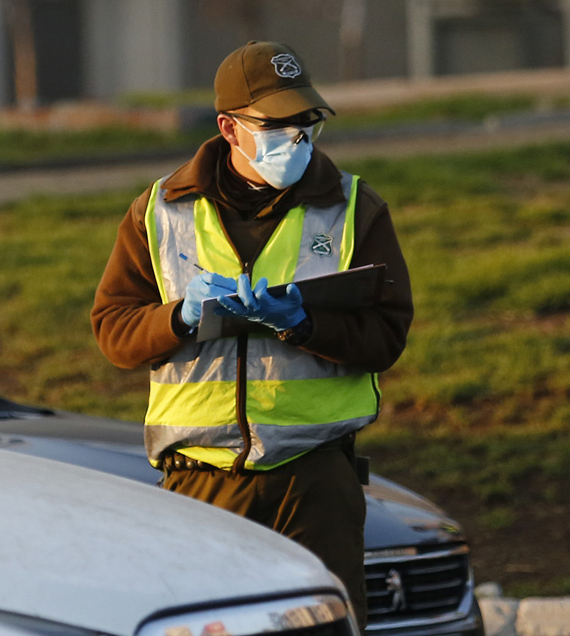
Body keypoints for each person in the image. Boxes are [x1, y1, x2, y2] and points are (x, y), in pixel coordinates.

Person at [91, 41, 412, 625]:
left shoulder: (355, 208)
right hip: (201, 484)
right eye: (276, 124)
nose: (296, 137)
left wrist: (304, 324)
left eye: (306, 121)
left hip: (315, 482)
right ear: (228, 128)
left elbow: (386, 337)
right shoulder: (158, 211)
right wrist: (179, 317)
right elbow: (114, 331)